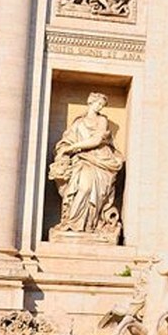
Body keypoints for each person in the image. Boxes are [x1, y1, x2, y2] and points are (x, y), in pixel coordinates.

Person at [49, 93, 124, 237]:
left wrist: (72, 148)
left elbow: (96, 140)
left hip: (100, 161)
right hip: (82, 160)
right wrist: (63, 150)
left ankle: (90, 225)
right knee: (83, 188)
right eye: (98, 104)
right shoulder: (78, 123)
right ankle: (72, 223)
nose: (100, 107)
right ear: (90, 103)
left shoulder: (102, 120)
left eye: (102, 105)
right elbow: (66, 141)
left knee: (92, 190)